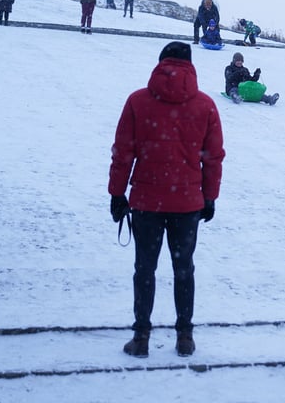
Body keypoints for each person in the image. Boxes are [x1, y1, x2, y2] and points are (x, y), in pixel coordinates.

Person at [108, 41, 225, 359]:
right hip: (187, 203)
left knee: (144, 269)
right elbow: (213, 157)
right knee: (183, 268)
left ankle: (142, 337)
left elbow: (123, 152)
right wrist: (210, 197)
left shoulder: (137, 101)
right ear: (191, 66)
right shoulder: (205, 105)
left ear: (160, 63)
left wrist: (117, 193)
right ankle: (184, 337)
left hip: (147, 201)